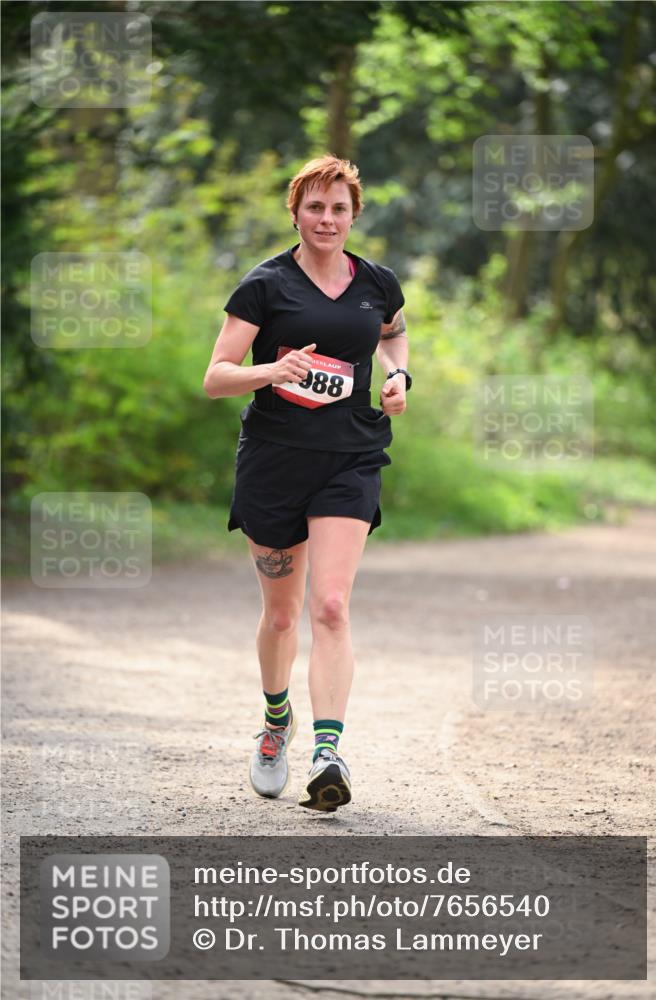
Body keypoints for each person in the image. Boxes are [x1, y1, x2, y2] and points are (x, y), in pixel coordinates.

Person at [203, 155, 411, 813]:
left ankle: (328, 752)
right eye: (315, 208)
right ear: (295, 213)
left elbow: (393, 335)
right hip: (273, 461)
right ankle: (275, 724)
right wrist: (273, 371)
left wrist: (399, 376)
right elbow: (216, 375)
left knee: (329, 605)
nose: (326, 219)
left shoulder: (376, 282)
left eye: (338, 209)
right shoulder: (264, 286)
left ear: (353, 215)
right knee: (283, 613)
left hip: (350, 456)